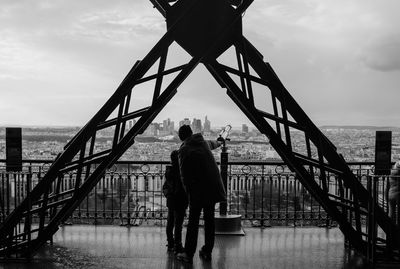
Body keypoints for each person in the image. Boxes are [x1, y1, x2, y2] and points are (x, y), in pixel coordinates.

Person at [176, 125, 226, 264]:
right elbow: (213, 143)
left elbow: (184, 175)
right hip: (212, 187)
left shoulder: (184, 149)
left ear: (181, 137)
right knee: (209, 221)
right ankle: (207, 251)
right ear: (191, 133)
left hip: (198, 191)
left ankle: (188, 254)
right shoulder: (203, 143)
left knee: (193, 223)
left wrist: (188, 193)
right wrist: (220, 141)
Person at [163, 150, 188, 254]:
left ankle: (170, 242)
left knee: (170, 222)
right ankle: (178, 245)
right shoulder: (182, 171)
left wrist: (168, 195)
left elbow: (166, 187)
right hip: (180, 200)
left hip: (171, 200)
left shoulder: (169, 171)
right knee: (178, 224)